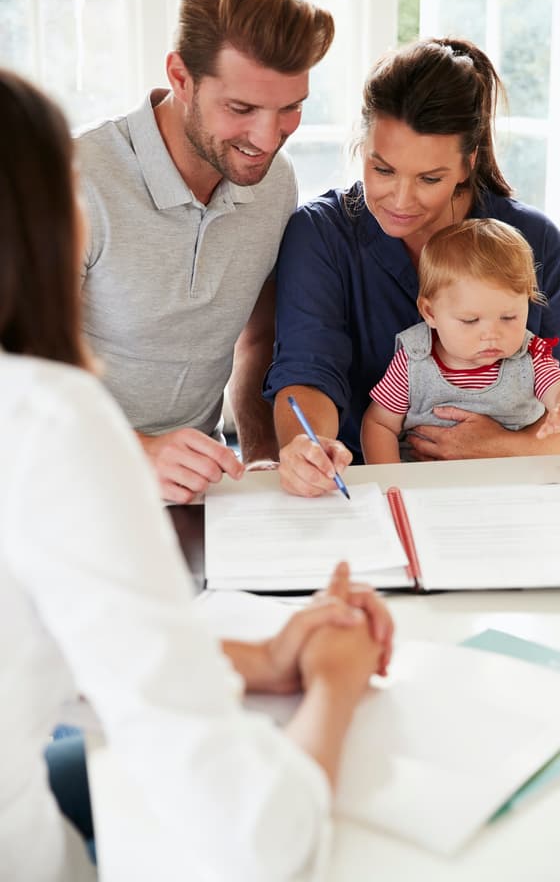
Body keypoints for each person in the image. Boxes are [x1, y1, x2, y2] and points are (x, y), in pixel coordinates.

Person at [0, 68, 393, 882]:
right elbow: (256, 838)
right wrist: (335, 686)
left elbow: (40, 650)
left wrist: (262, 657)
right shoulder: (45, 418)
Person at [263, 37, 560, 497]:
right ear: (362, 146)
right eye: (382, 170)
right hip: (362, 496)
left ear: (468, 164)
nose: (401, 201)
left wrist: (504, 446)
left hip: (508, 496)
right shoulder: (321, 236)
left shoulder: (535, 240)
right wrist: (308, 445)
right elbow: (308, 372)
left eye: (430, 179)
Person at [76, 0, 335, 504]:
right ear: (180, 78)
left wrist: (263, 454)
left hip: (203, 492)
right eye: (241, 107)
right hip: (73, 484)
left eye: (291, 108)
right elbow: (18, 380)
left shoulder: (274, 184)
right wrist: (137, 451)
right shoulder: (73, 181)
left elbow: (256, 341)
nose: (267, 138)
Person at [361, 218, 560, 463]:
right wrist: (393, 483)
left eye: (508, 317)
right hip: (427, 490)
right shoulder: (413, 361)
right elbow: (379, 424)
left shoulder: (530, 359)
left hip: (510, 487)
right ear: (430, 313)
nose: (491, 334)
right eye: (470, 320)